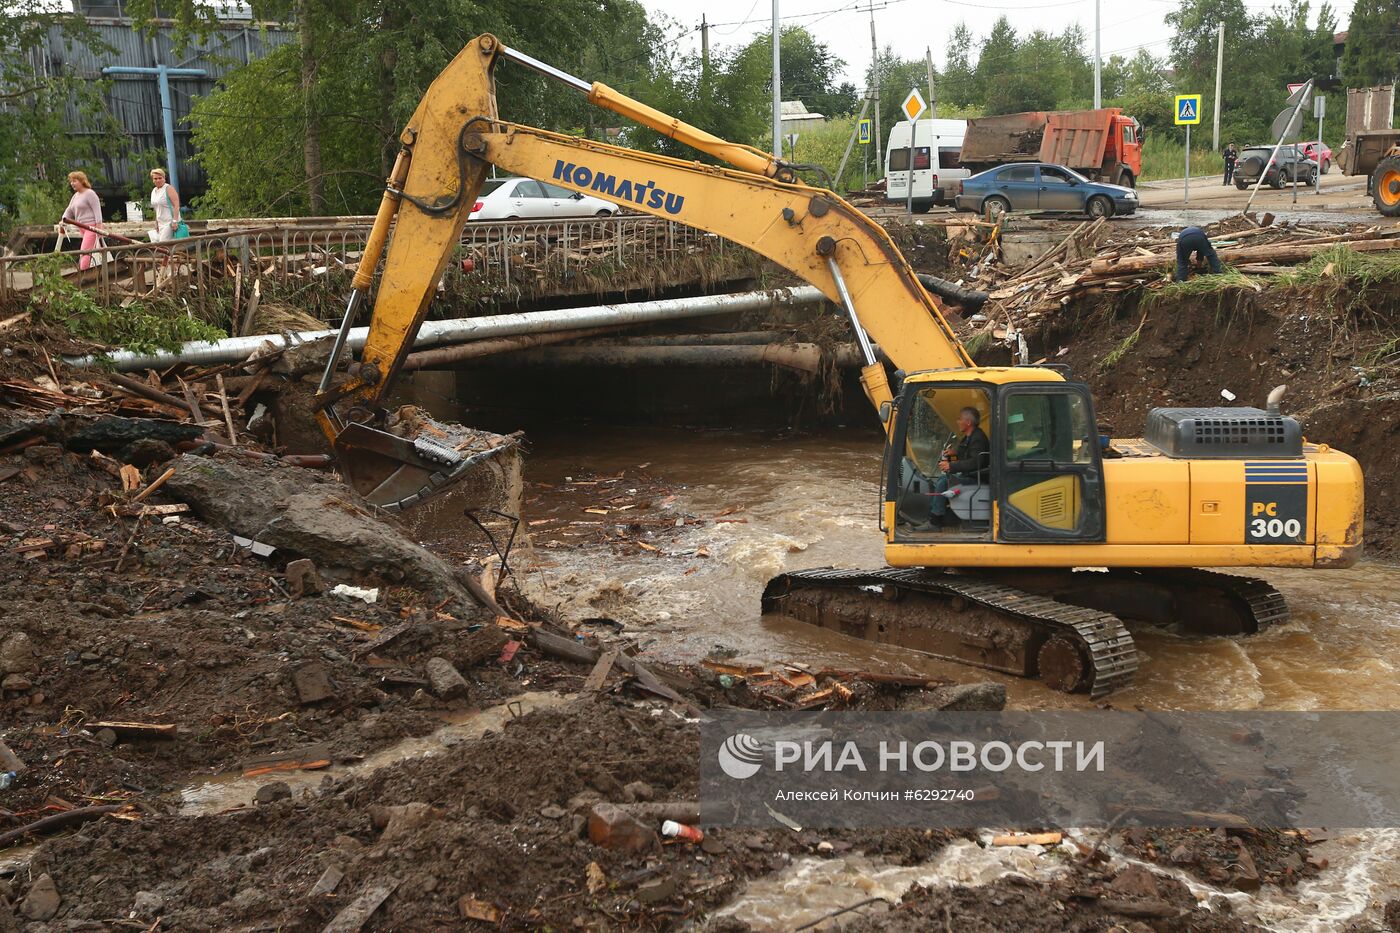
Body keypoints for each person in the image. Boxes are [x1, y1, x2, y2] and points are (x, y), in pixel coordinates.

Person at [929, 406, 990, 524]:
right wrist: (952, 455)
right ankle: (935, 513)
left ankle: (935, 520)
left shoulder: (978, 439)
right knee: (941, 479)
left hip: (977, 478)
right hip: (970, 474)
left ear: (968, 422)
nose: (957, 421)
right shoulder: (968, 438)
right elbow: (962, 459)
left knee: (943, 481)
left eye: (959, 419)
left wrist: (951, 466)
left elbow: (975, 462)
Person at [58, 171, 103, 270]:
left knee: (84, 252)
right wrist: (63, 220)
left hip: (91, 227)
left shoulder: (90, 193)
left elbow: (97, 210)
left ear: (82, 181)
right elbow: (69, 210)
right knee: (87, 251)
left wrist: (99, 227)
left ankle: (83, 273)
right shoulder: (75, 196)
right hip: (81, 227)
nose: (72, 183)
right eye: (71, 181)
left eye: (75, 181)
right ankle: (88, 272)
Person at [148, 168, 181, 242]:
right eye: (155, 178)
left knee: (163, 244)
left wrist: (175, 221)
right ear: (153, 180)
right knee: (156, 243)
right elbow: (156, 208)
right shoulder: (154, 191)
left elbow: (176, 205)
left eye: (160, 178)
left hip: (169, 222)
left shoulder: (168, 188)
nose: (158, 180)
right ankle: (171, 253)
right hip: (160, 222)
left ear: (164, 178)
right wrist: (156, 222)